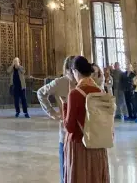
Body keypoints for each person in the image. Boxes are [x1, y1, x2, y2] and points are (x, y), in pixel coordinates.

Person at [63, 55, 110, 183]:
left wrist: (64, 106)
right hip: (98, 144)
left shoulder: (75, 93)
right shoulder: (100, 91)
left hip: (80, 145)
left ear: (76, 71)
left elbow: (70, 127)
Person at [37, 55, 76, 183]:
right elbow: (41, 93)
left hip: (84, 135)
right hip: (66, 134)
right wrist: (52, 112)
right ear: (69, 69)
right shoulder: (61, 82)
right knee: (65, 170)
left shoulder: (84, 82)